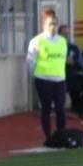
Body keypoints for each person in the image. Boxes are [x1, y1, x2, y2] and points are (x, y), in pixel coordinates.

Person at [26, 8, 67, 142]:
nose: (53, 27)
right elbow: (30, 61)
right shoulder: (37, 41)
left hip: (59, 79)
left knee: (60, 108)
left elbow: (63, 59)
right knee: (46, 108)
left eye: (55, 24)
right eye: (50, 24)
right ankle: (48, 136)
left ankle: (61, 134)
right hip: (43, 79)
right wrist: (36, 75)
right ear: (44, 25)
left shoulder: (62, 41)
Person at [59, 24, 83, 119]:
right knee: (73, 83)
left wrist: (80, 66)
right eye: (63, 34)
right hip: (61, 73)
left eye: (67, 34)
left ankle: (79, 107)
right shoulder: (56, 46)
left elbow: (81, 62)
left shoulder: (73, 47)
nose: (66, 36)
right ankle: (80, 110)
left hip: (75, 71)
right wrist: (64, 61)